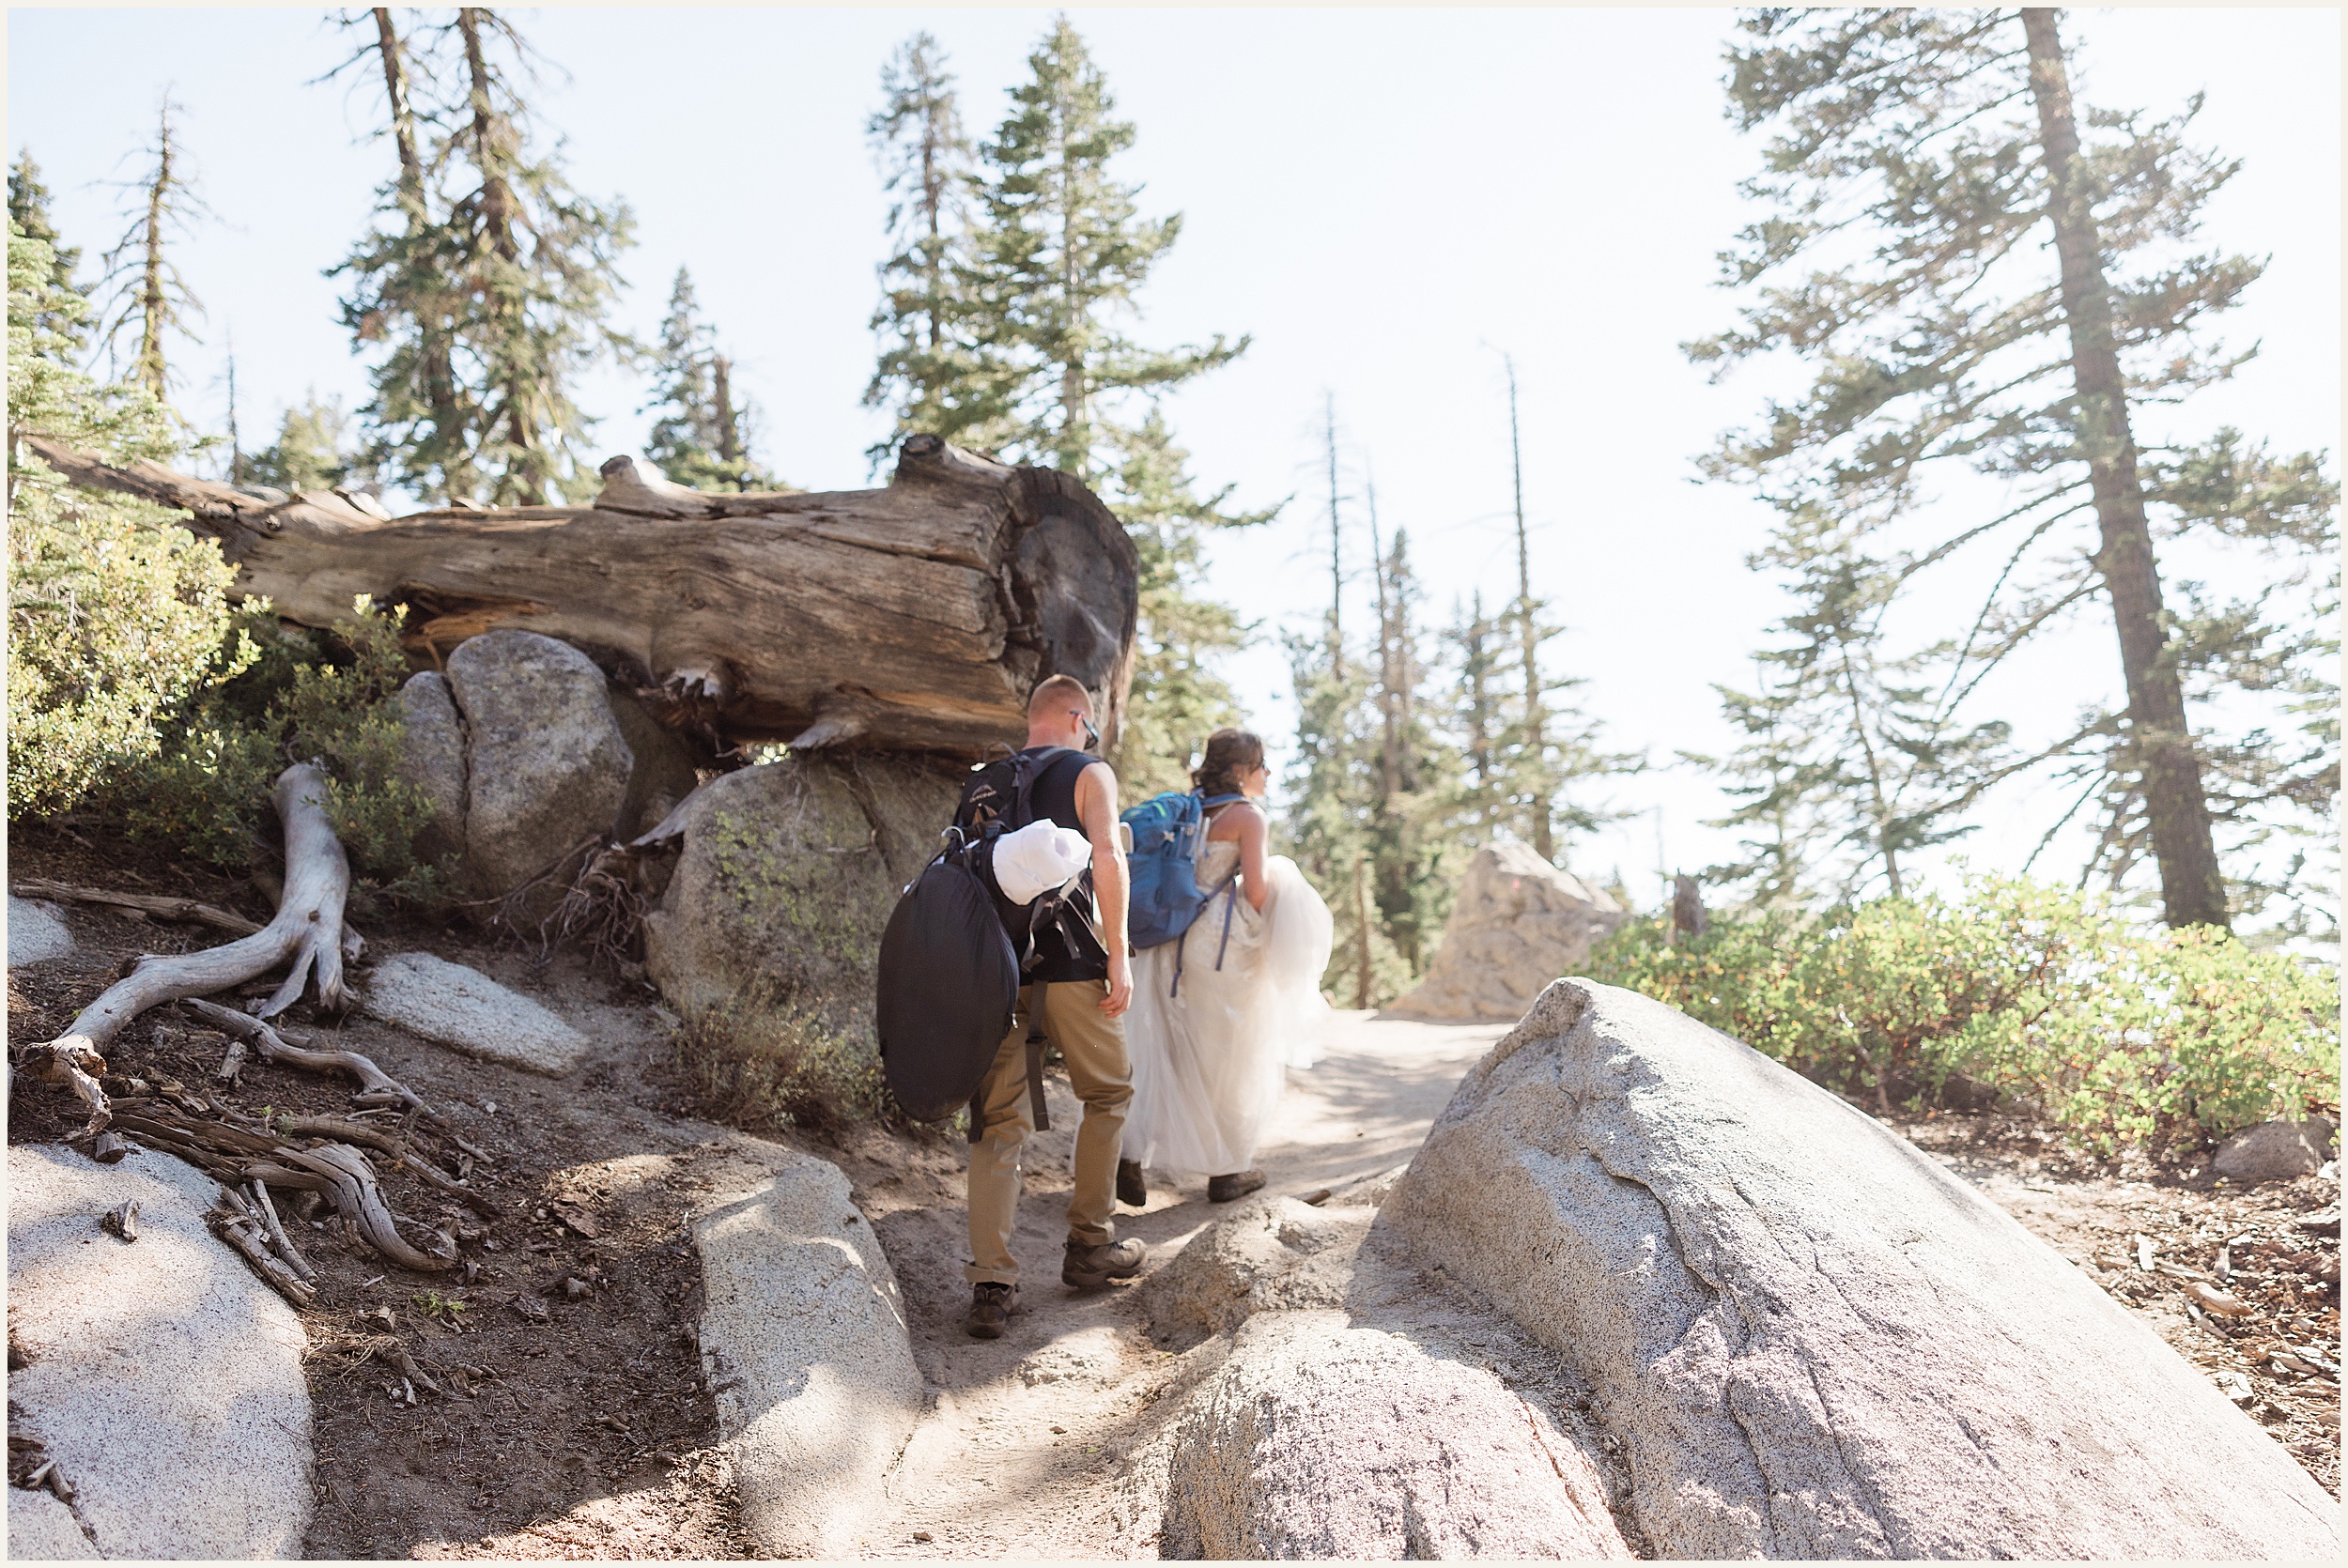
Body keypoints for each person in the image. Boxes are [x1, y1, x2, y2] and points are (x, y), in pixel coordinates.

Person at [964, 674, 1146, 1340]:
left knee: (996, 1121)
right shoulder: (1087, 771)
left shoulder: (980, 782)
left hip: (991, 970)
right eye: (1089, 725)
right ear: (1075, 718)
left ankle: (992, 1284)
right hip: (1069, 963)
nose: (1089, 735)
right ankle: (1090, 1248)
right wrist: (1119, 952)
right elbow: (1108, 860)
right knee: (1109, 1093)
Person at [1119, 728, 1334, 1207]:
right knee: (1233, 1053)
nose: (1268, 774)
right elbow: (1255, 889)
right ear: (1241, 771)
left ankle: (1128, 1157)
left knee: (1165, 1047)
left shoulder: (1190, 807)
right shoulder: (1247, 817)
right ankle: (1227, 1170)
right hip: (1220, 942)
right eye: (1262, 766)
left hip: (1173, 938)